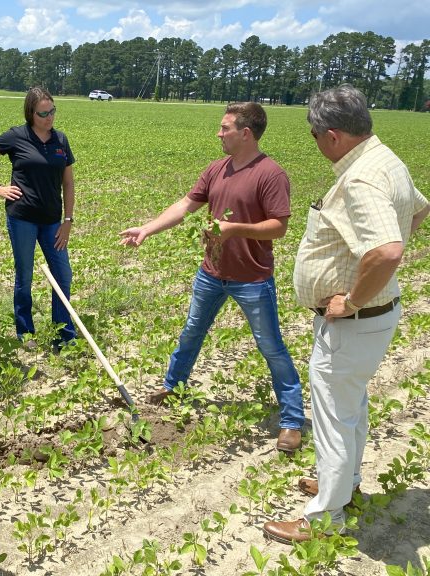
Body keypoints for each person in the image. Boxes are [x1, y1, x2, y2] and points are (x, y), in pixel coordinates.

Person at [263, 85, 429, 544]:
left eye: (316, 135)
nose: (316, 143)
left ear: (332, 135)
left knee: (335, 415)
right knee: (351, 406)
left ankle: (323, 516)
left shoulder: (360, 178)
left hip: (355, 320)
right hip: (376, 315)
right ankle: (345, 485)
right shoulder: (384, 159)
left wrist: (352, 297)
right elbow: (418, 210)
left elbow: (388, 248)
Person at [119, 102, 305, 453]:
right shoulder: (216, 169)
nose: (219, 133)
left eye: (225, 128)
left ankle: (292, 420)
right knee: (191, 331)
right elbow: (184, 205)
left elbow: (279, 227)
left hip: (252, 278)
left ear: (246, 133)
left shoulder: (271, 174)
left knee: (271, 347)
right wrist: (147, 228)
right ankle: (173, 387)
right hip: (212, 272)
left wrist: (234, 229)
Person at [0, 86, 77, 350]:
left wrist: (68, 221)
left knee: (63, 274)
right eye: (43, 113)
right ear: (30, 113)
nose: (49, 117)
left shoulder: (61, 141)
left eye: (52, 111)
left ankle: (63, 334)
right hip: (22, 218)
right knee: (25, 276)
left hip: (53, 221)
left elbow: (68, 183)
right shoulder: (16, 136)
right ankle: (26, 333)